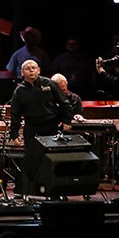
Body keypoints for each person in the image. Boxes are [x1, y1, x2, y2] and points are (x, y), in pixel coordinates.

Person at [8, 59, 76, 196]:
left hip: (51, 128)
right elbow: (15, 115)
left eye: (34, 68)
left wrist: (66, 121)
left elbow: (65, 103)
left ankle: (56, 191)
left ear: (39, 70)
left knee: (53, 160)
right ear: (22, 72)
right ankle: (32, 192)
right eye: (28, 68)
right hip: (32, 129)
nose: (31, 70)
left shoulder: (50, 84)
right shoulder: (19, 91)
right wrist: (14, 135)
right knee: (33, 161)